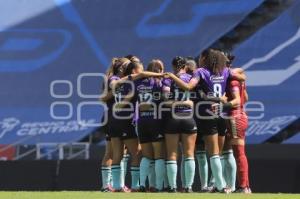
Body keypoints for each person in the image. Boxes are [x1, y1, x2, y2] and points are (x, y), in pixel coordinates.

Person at [165, 49, 245, 193]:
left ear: (205, 58)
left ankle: (220, 186)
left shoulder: (201, 72)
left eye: (201, 57)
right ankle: (225, 186)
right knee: (220, 152)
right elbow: (242, 77)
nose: (199, 59)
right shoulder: (225, 71)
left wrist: (172, 76)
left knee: (213, 153)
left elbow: (188, 86)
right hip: (221, 114)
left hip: (207, 114)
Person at [163, 56, 198, 193]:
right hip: (188, 117)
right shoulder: (191, 78)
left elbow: (165, 101)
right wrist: (186, 103)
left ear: (173, 66)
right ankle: (188, 187)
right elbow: (193, 94)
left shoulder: (168, 78)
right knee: (189, 154)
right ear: (185, 66)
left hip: (173, 118)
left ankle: (172, 187)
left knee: (172, 154)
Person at [133, 59, 166, 192]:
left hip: (142, 122)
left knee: (146, 156)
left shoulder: (138, 83)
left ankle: (142, 184)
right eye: (161, 69)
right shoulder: (159, 82)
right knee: (159, 156)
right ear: (158, 71)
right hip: (155, 121)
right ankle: (158, 186)